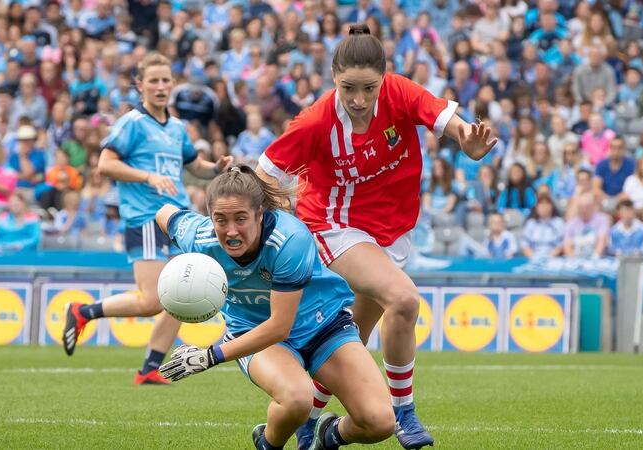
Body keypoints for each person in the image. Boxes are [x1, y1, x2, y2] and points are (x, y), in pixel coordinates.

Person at [255, 24, 496, 449]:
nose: (359, 100)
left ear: (384, 79)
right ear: (333, 77)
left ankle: (316, 428)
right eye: (349, 88)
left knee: (349, 338)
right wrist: (267, 233)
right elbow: (264, 175)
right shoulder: (315, 122)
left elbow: (450, 123)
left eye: (369, 88)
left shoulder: (401, 93)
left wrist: (467, 143)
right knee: (403, 300)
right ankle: (404, 413)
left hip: (394, 231)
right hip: (334, 225)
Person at [154, 166, 395, 450]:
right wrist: (189, 267)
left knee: (379, 423)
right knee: (297, 399)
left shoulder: (289, 239)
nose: (230, 230)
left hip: (324, 326)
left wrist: (211, 355)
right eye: (220, 220)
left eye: (241, 219)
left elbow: (280, 326)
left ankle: (328, 435)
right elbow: (164, 213)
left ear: (260, 214)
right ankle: (268, 443)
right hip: (253, 331)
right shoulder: (201, 237)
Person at [62, 53, 233, 385]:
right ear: (140, 85)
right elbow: (105, 164)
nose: (160, 86)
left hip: (178, 219)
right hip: (146, 219)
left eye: (165, 80)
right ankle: (83, 312)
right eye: (153, 81)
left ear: (172, 84)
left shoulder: (178, 127)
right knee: (152, 301)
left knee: (184, 295)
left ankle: (150, 368)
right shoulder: (133, 122)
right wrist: (147, 177)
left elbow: (193, 165)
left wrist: (215, 168)